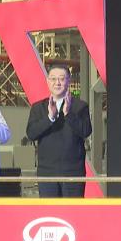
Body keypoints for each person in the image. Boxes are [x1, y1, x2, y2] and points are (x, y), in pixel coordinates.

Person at [26, 65, 92, 197]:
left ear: (69, 81)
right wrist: (50, 118)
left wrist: (68, 114)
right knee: (50, 209)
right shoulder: (38, 107)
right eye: (53, 79)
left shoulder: (80, 106)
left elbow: (86, 131)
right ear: (47, 81)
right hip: (47, 173)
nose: (57, 83)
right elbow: (31, 133)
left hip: (73, 173)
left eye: (62, 79)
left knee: (72, 209)